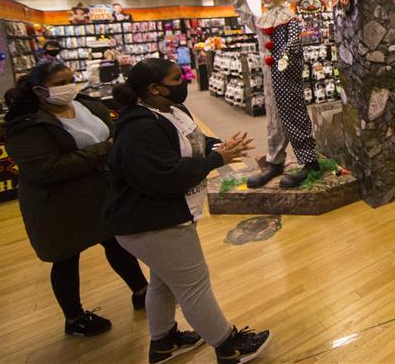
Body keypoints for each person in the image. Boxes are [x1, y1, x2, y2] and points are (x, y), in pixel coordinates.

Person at [105, 58, 271, 364]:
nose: (184, 81)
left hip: (162, 217)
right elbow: (166, 177)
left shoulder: (173, 111)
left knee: (164, 281)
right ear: (154, 89)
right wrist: (216, 160)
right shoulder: (138, 129)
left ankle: (164, 341)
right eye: (175, 78)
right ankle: (227, 346)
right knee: (194, 285)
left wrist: (222, 146)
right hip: (151, 222)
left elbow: (195, 142)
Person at [0, 62, 148, 337]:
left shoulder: (85, 105)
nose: (69, 85)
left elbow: (112, 132)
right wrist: (104, 151)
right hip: (57, 204)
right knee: (66, 258)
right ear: (39, 89)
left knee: (116, 243)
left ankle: (142, 290)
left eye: (71, 78)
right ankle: (75, 318)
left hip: (101, 194)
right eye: (60, 82)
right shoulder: (26, 124)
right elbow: (46, 169)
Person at [229, 0, 319, 188]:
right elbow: (243, 11)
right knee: (273, 120)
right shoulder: (262, 21)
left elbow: (294, 41)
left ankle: (309, 161)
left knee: (294, 115)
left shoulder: (290, 19)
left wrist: (287, 55)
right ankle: (275, 161)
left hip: (287, 75)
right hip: (270, 77)